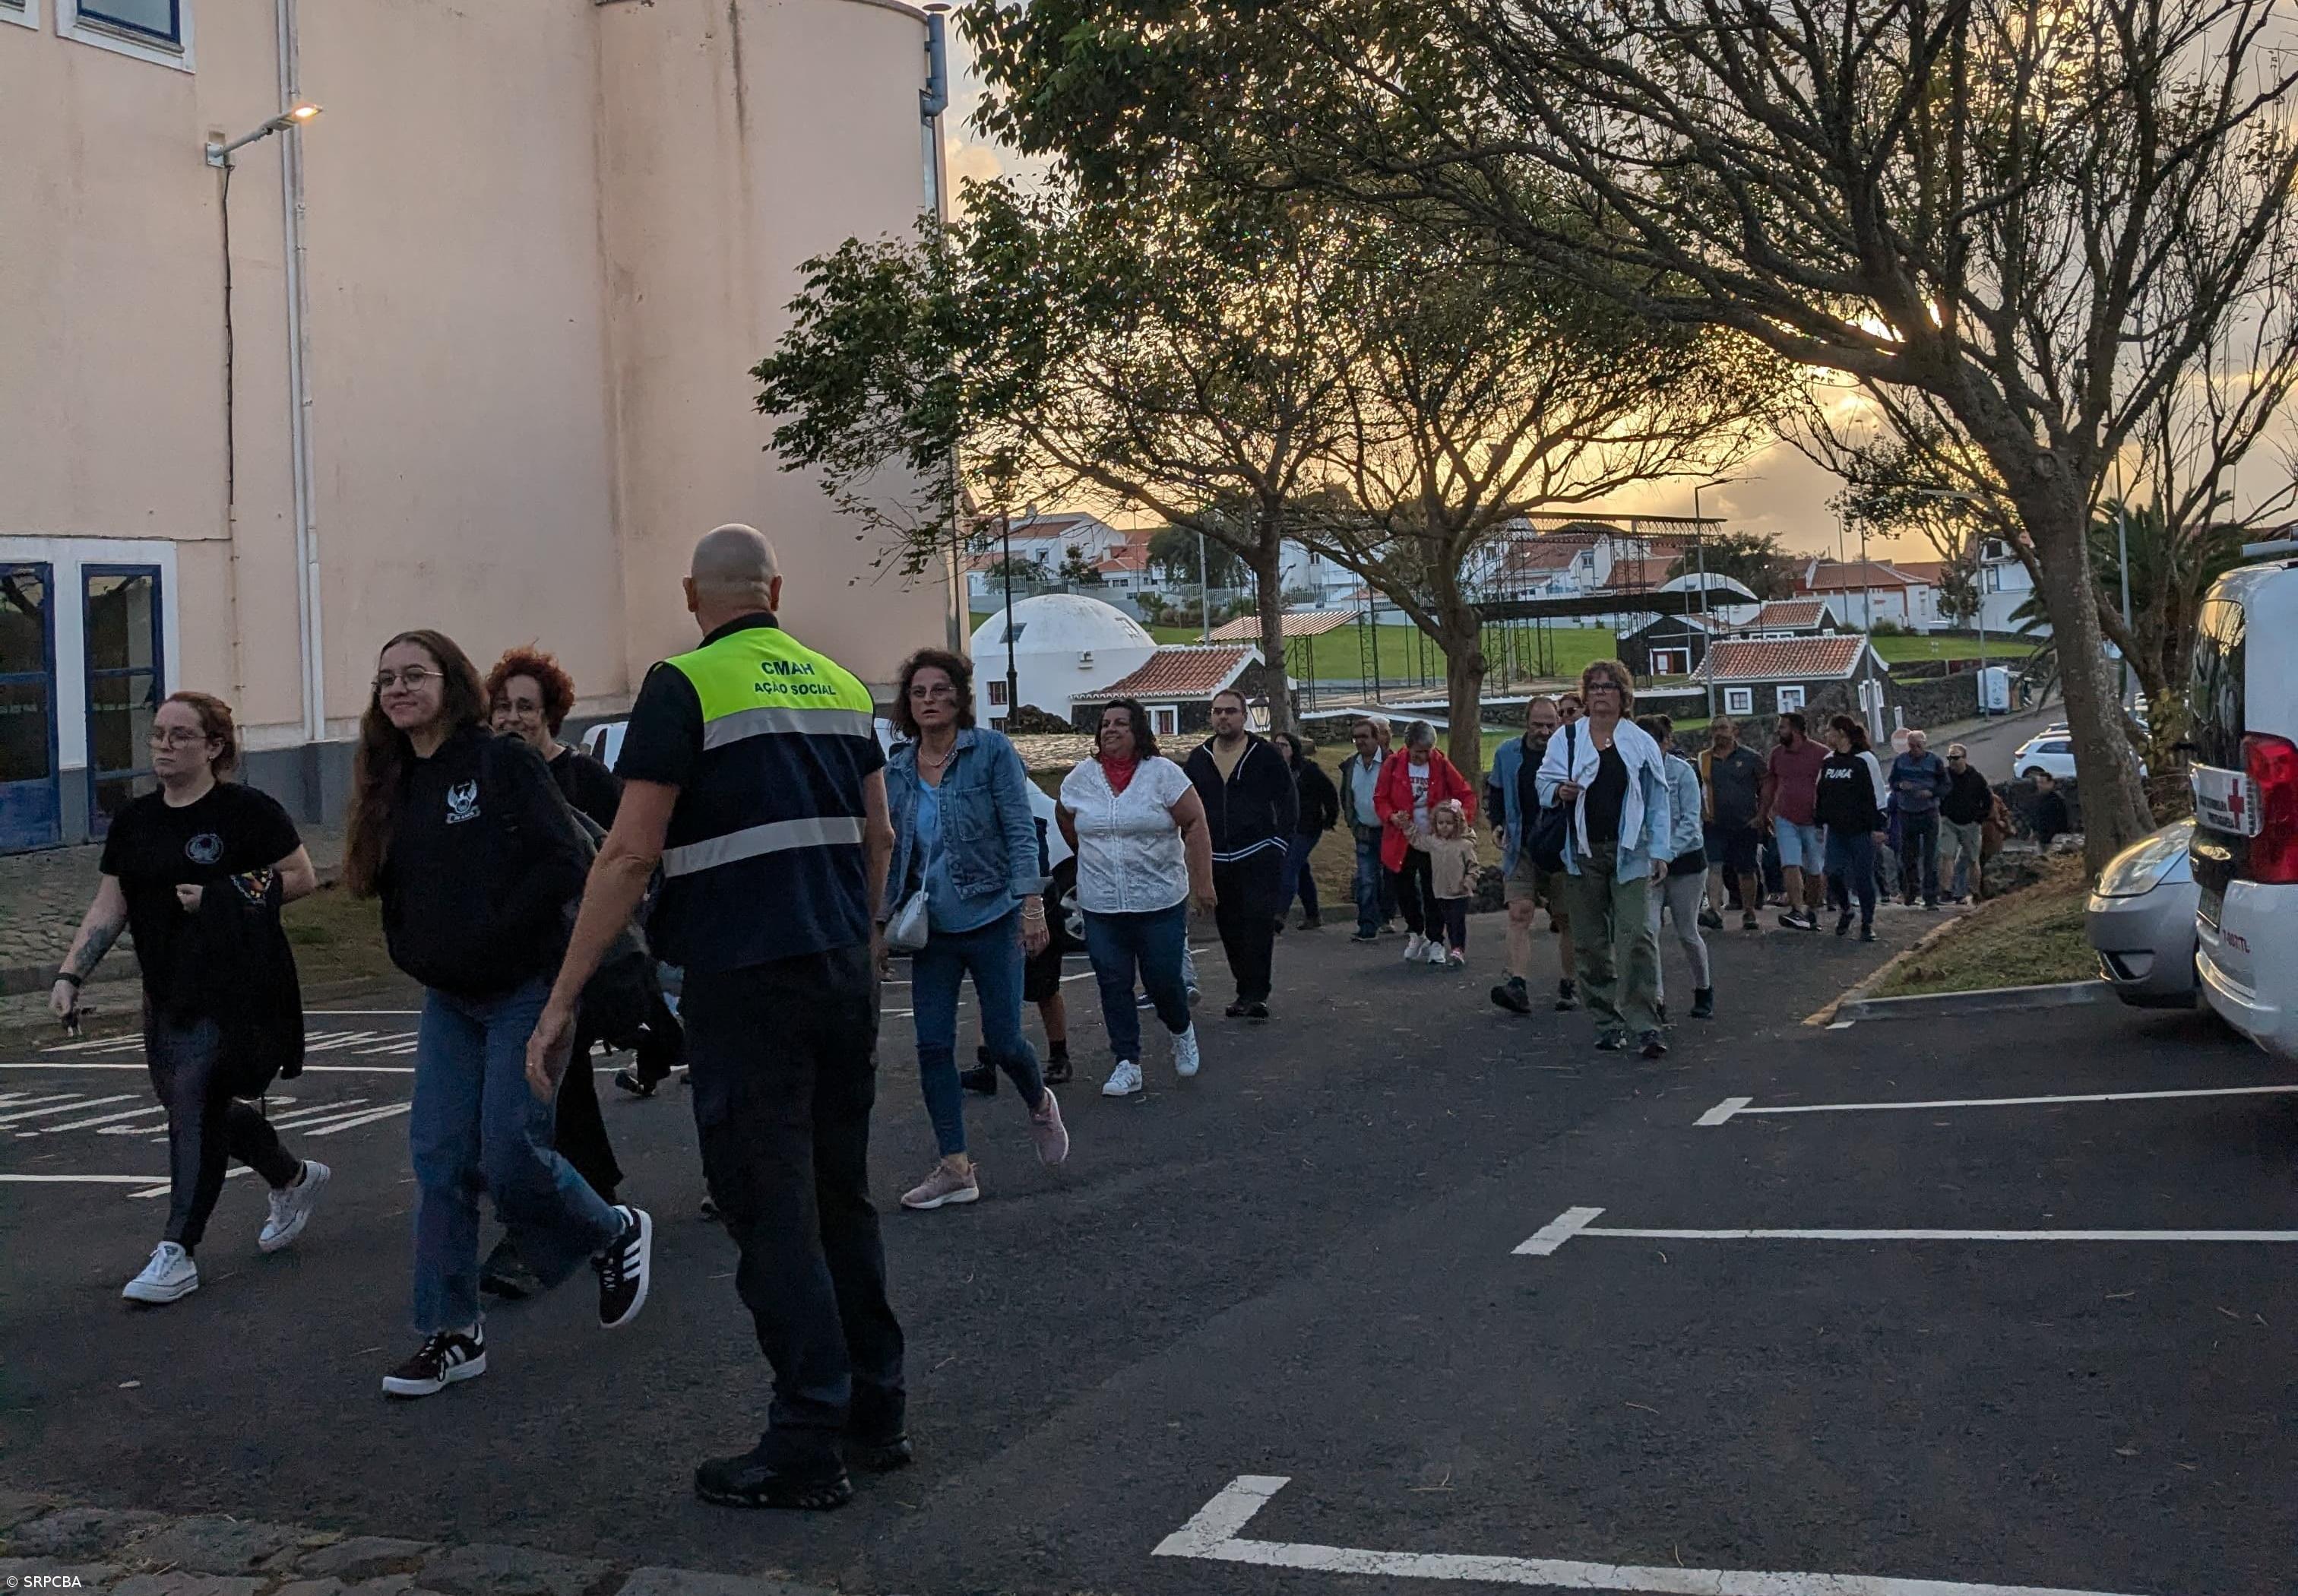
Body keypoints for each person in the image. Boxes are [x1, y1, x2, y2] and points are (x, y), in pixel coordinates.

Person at [529, 525, 901, 1510]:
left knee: (769, 1208)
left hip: (745, 980)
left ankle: (806, 1441)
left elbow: (628, 852)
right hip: (840, 974)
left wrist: (564, 998)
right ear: (776, 590)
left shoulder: (683, 686)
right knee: (841, 1198)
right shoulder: (842, 686)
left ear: (693, 595)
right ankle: (876, 1411)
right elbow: (880, 834)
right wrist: (862, 940)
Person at [344, 629, 651, 1401]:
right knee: (440, 1161)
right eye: (386, 679)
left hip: (524, 987)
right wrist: (414, 950)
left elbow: (563, 864)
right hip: (449, 999)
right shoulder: (393, 779)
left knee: (511, 1154)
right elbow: (391, 887)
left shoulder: (500, 763)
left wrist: (500, 938)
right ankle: (452, 1332)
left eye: (414, 675)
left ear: (451, 683)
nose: (398, 689)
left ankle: (614, 1231)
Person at [52, 692, 325, 1306]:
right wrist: (71, 975)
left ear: (214, 747)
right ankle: (291, 1178)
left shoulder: (247, 811)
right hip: (167, 992)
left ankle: (177, 1250)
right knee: (196, 1109)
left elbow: (302, 876)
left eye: (180, 736)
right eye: (158, 734)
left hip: (238, 990)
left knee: (194, 1102)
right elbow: (110, 905)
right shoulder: (135, 821)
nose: (164, 746)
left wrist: (224, 894)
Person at [879, 648, 1069, 1212]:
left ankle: (1038, 1101)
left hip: (991, 916)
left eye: (940, 690)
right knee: (932, 1045)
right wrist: (877, 924)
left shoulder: (990, 752)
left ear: (960, 697)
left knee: (1005, 1040)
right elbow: (888, 851)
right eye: (918, 692)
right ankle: (955, 1168)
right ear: (907, 704)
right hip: (930, 929)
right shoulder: (897, 768)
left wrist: (1031, 904)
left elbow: (1020, 829)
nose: (929, 701)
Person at [479, 648, 633, 1298]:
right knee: (553, 1092)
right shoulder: (487, 777)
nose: (512, 719)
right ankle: (594, 1205)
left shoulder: (582, 777)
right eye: (503, 707)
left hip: (580, 956)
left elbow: (629, 852)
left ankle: (552, 1227)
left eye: (526, 708)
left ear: (551, 715)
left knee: (549, 1089)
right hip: (515, 959)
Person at [1058, 698, 1215, 1097]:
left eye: (1120, 724)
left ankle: (1181, 1029)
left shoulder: (1163, 774)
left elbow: (1195, 823)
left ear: (1138, 731)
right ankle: (1127, 1063)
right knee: (1113, 981)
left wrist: (1203, 882)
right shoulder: (1081, 778)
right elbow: (1066, 819)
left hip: (1159, 900)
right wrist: (1092, 857)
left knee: (1163, 979)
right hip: (1101, 904)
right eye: (1105, 724)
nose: (1110, 730)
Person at [1537, 660, 1673, 1058]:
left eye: (1608, 686)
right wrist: (1558, 791)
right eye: (1593, 686)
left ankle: (1645, 1024)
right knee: (1591, 944)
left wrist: (1660, 851)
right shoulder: (1567, 738)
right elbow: (1543, 782)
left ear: (1623, 695)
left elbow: (1657, 799)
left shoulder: (1640, 741)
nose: (1599, 693)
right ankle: (1607, 1023)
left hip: (1630, 852)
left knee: (1637, 937)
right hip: (1581, 854)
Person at [1183, 689, 1297, 1019]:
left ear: (1244, 717)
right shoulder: (1199, 758)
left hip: (1258, 853)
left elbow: (1288, 801)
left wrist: (1279, 844)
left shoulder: (1265, 754)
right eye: (1217, 711)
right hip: (1216, 858)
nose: (1223, 717)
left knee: (1258, 924)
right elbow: (1185, 805)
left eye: (1230, 711)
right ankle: (1242, 990)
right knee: (1230, 927)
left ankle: (1257, 994)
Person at [1486, 695, 1577, 1015]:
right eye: (1537, 725)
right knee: (1519, 912)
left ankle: (1569, 982)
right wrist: (1497, 824)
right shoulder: (1507, 753)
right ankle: (1517, 984)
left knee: (1566, 918)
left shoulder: (1572, 753)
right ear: (1526, 723)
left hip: (1562, 848)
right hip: (1521, 846)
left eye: (1550, 725)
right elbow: (1496, 792)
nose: (1544, 732)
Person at [1376, 720, 1477, 966]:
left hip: (1434, 839)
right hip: (1403, 838)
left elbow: (1465, 793)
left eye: (1426, 751)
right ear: (1407, 747)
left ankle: (1435, 940)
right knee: (1404, 889)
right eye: (1418, 752)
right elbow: (1381, 798)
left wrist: (1459, 820)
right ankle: (1416, 930)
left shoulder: (1441, 764)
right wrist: (1392, 816)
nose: (1422, 756)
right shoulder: (1393, 764)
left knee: (1434, 891)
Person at [1639, 714, 1712, 1022]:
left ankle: (1704, 988)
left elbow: (1691, 822)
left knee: (1687, 932)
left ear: (1665, 743)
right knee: (1649, 931)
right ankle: (1656, 998)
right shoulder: (1634, 774)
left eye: (1653, 743)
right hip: (1648, 863)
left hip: (1685, 862)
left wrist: (1666, 854)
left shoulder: (1682, 773)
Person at [1817, 714, 1888, 942]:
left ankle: (1867, 923)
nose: (1826, 735)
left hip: (1862, 829)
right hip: (1836, 829)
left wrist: (1879, 826)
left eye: (1829, 731)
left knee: (1862, 877)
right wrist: (1819, 819)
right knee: (1833, 872)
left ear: (1841, 733)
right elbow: (1821, 792)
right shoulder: (1829, 761)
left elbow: (1877, 794)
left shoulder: (1865, 759)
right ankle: (1846, 909)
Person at [1758, 711, 1829, 930]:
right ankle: (1798, 909)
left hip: (1814, 820)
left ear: (1795, 730)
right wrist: (1764, 813)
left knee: (1815, 869)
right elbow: (1770, 784)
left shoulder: (1821, 753)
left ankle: (1812, 909)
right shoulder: (1777, 754)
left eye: (1783, 727)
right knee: (1790, 863)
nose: (1778, 731)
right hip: (1785, 818)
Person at [1698, 716, 1767, 933]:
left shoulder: (1751, 758)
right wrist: (1702, 812)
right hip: (1714, 823)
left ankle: (1749, 911)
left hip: (1745, 823)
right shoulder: (1704, 759)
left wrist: (1762, 815)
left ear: (1734, 730)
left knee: (1746, 870)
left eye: (1723, 728)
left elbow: (1765, 786)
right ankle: (1715, 911)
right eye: (1715, 729)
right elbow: (1698, 788)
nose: (1719, 733)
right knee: (1714, 866)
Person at [1271, 730, 1340, 931]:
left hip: (1307, 827)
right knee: (1301, 870)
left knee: (1289, 867)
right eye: (1276, 745)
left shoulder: (1308, 770)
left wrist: (1330, 818)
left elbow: (1329, 792)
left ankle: (1278, 916)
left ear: (1293, 749)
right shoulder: (1273, 770)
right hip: (1285, 828)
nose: (1280, 749)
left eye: (1284, 745)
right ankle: (1313, 915)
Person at [1339, 717, 1393, 942]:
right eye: (1356, 738)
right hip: (1364, 832)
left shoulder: (1392, 762)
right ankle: (1367, 927)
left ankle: (1404, 920)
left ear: (1376, 738)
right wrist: (1353, 823)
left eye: (1365, 736)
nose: (1360, 741)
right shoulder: (1351, 766)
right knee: (1366, 879)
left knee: (1394, 879)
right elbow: (1346, 797)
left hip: (1390, 832)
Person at [1410, 799, 1480, 967]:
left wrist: (1469, 881)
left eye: (1449, 823)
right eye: (1441, 823)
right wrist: (1407, 827)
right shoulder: (1433, 842)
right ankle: (1454, 947)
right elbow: (1417, 841)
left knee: (1457, 921)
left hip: (1460, 892)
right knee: (1448, 922)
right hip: (1441, 891)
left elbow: (1474, 866)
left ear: (1457, 824)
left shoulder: (1464, 845)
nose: (1444, 827)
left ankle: (1458, 949)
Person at [1888, 729, 1950, 908]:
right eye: (1911, 746)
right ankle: (1911, 891)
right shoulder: (1900, 761)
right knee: (1908, 856)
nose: (1915, 749)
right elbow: (1892, 782)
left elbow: (1945, 785)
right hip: (1907, 812)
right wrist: (1901, 785)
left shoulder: (1935, 761)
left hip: (1929, 812)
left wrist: (1931, 793)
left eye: (1918, 746)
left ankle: (1930, 896)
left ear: (1925, 744)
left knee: (1931, 856)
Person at [1939, 742, 1993, 901]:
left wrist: (1979, 818)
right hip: (1949, 822)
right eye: (1949, 758)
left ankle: (1975, 891)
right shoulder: (1944, 776)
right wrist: (1942, 813)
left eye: (1956, 758)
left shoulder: (1975, 777)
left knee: (1973, 859)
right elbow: (1937, 793)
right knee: (1947, 855)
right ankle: (1946, 890)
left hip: (1971, 823)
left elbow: (1987, 799)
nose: (1952, 762)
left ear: (1964, 758)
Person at [2031, 769, 2072, 848]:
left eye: (2042, 783)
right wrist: (2033, 831)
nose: (2040, 785)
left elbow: (2061, 822)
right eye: (2038, 783)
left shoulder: (2057, 801)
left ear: (2051, 783)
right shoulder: (2037, 799)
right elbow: (2035, 817)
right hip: (2041, 837)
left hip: (2055, 838)